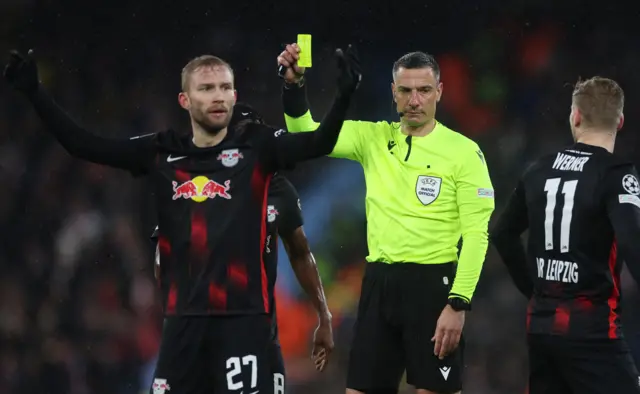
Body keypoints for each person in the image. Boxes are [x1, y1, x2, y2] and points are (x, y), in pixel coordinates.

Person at [4, 46, 361, 394]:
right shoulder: (162, 151)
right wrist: (36, 94)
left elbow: (318, 142)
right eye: (206, 88)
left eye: (224, 87)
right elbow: (85, 145)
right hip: (183, 327)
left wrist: (343, 97)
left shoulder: (258, 148)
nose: (218, 96)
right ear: (185, 101)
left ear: (235, 96)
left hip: (243, 323)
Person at [277, 45, 495, 394]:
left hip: (433, 286)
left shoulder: (464, 153)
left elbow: (476, 235)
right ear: (393, 93)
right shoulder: (373, 138)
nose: (414, 100)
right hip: (378, 284)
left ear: (439, 91)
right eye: (405, 90)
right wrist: (293, 86)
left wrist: (458, 303)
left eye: (424, 90)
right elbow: (306, 135)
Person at [150, 104, 334, 393]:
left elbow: (300, 251)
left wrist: (324, 314)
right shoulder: (195, 184)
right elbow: (164, 258)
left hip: (257, 332)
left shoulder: (278, 189)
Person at [490, 76, 640, 394]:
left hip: (542, 328)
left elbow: (502, 233)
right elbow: (633, 245)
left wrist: (533, 290)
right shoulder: (617, 174)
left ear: (575, 116)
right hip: (594, 331)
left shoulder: (539, 168)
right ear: (621, 120)